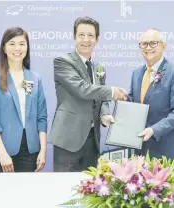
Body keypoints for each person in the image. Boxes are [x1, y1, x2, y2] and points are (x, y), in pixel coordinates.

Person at [49, 16, 127, 172]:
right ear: (74, 37)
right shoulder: (62, 61)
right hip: (68, 139)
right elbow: (82, 89)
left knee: (88, 189)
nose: (86, 40)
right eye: (81, 35)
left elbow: (101, 98)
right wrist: (112, 92)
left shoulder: (99, 67)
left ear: (97, 39)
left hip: (92, 140)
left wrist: (104, 114)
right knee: (64, 188)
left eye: (91, 35)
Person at [0, 27, 48, 172]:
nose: (17, 48)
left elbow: (41, 118)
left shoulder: (35, 78)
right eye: (12, 43)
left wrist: (43, 150)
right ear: (4, 48)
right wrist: (3, 154)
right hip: (2, 151)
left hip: (31, 151)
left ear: (27, 48)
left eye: (22, 44)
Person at [127, 28, 174, 162]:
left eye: (153, 43)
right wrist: (121, 100)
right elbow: (134, 104)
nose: (148, 47)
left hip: (167, 150)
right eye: (144, 44)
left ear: (164, 46)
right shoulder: (136, 73)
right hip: (141, 149)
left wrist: (154, 130)